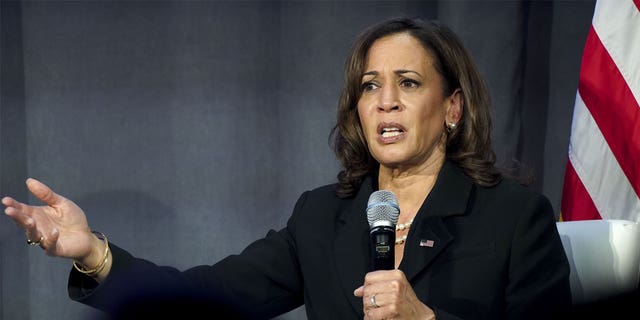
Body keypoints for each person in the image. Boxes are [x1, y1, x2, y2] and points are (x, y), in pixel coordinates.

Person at [2, 17, 572, 319]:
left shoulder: (515, 217)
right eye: (370, 86)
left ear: (452, 108)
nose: (386, 101)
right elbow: (208, 297)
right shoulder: (324, 216)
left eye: (410, 83)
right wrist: (92, 253)